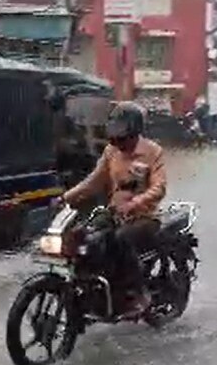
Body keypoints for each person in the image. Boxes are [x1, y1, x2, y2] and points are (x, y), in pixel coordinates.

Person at [62, 102, 167, 316]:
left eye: (123, 138)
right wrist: (65, 197)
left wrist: (135, 203)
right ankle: (93, 285)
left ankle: (137, 292)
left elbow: (159, 187)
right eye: (115, 138)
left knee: (121, 239)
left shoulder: (153, 151)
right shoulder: (111, 151)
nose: (119, 143)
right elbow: (93, 181)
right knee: (84, 235)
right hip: (115, 212)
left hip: (144, 217)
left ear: (135, 132)